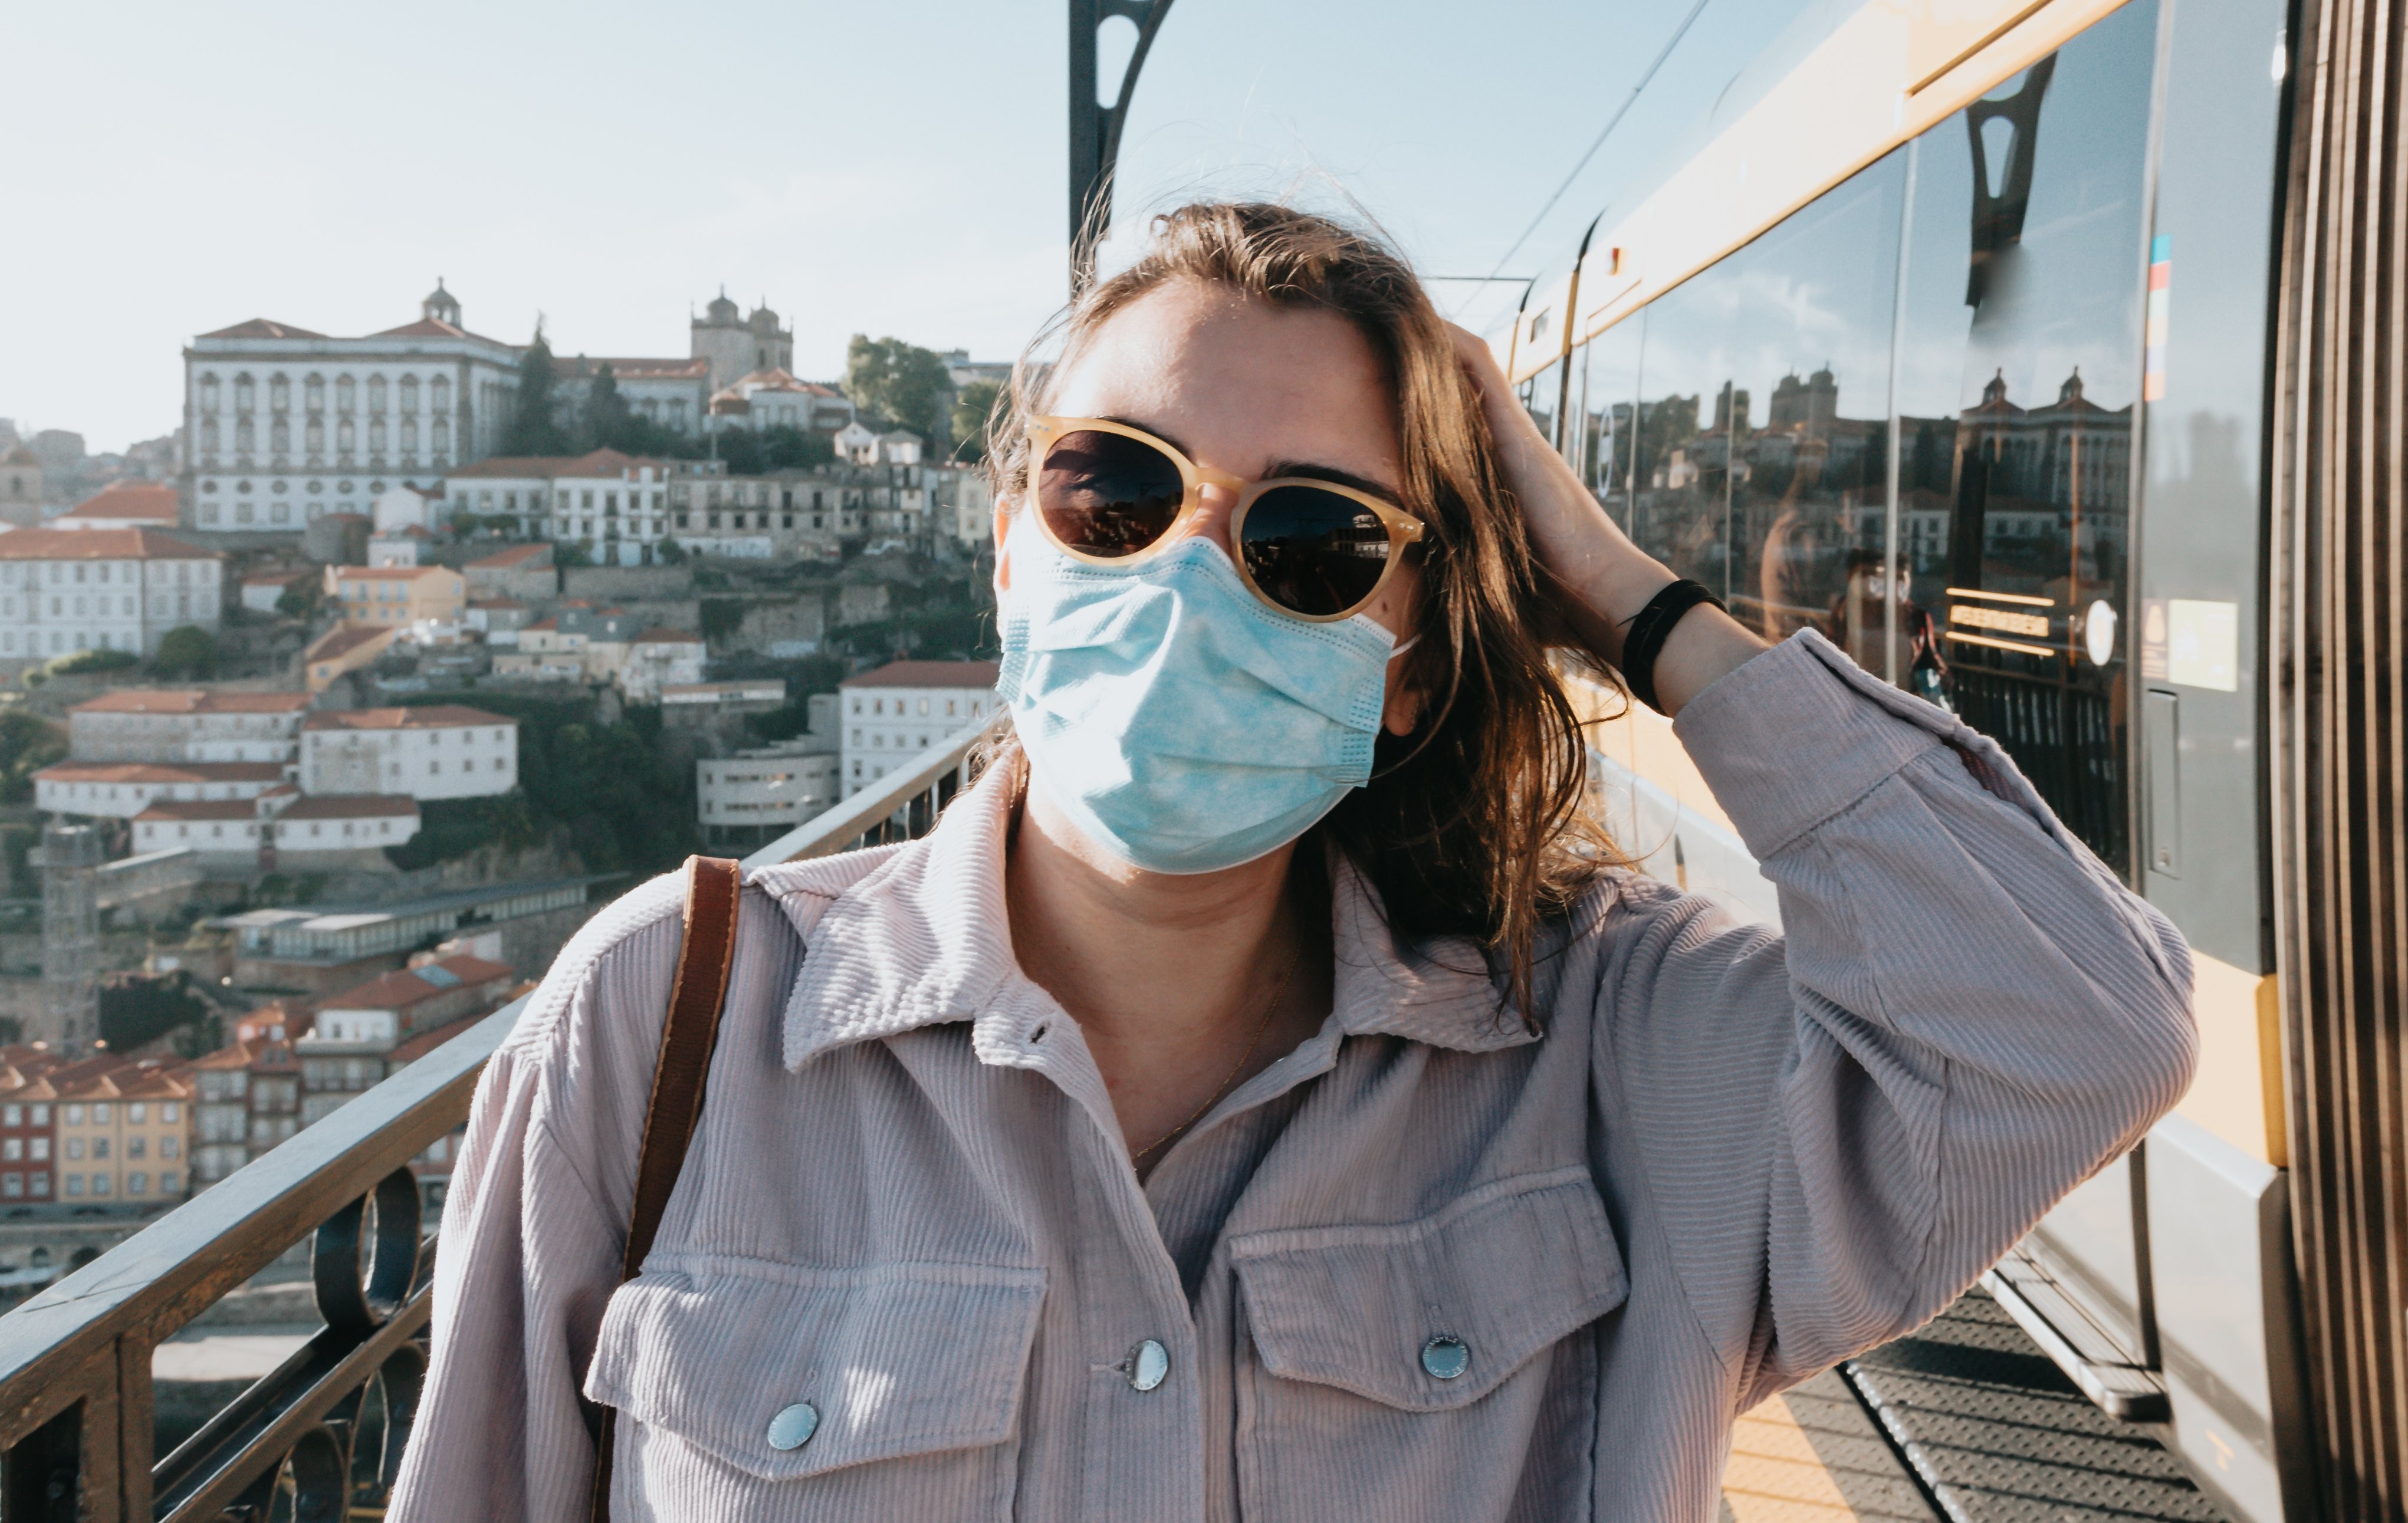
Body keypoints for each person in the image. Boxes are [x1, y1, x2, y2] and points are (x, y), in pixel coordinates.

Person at [393, 201, 2196, 1521]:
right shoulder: (673, 1017)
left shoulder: (1607, 1041)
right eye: (1115, 492)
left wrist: (1631, 604)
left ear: (1411, 657)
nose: (1186, 576)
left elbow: (2078, 1031)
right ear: (1011, 549)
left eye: (1313, 540)